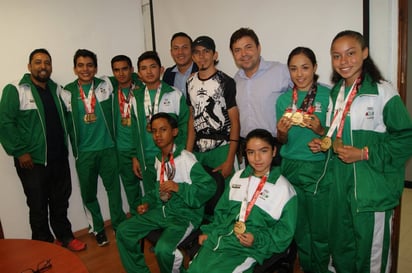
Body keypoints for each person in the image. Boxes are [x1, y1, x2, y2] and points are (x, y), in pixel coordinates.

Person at [308, 30, 412, 273]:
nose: (343, 61)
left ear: (364, 53)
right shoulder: (336, 93)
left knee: (371, 255)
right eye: (336, 56)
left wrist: (364, 153)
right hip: (340, 188)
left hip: (371, 189)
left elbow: (406, 138)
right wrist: (325, 142)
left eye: (350, 53)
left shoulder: (382, 91)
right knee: (343, 248)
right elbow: (338, 134)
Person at [0, 48, 86, 251]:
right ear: (29, 66)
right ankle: (44, 244)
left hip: (58, 159)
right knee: (38, 206)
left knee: (60, 202)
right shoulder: (16, 89)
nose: (43, 66)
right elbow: (5, 123)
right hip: (32, 161)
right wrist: (20, 151)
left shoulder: (57, 90)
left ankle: (65, 237)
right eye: (38, 62)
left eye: (47, 62)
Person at [116, 112, 216, 273]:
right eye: (154, 131)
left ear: (174, 132)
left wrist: (178, 187)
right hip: (161, 212)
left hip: (184, 217)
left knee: (163, 250)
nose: (158, 135)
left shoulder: (186, 158)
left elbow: (209, 187)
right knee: (124, 231)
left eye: (163, 130)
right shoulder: (159, 159)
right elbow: (157, 191)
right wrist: (147, 203)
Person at [187, 128, 297, 273]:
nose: (257, 158)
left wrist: (256, 239)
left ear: (274, 151)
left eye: (263, 151)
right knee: (194, 270)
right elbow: (221, 212)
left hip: (247, 249)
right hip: (220, 239)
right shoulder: (238, 177)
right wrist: (210, 231)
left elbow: (284, 234)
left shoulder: (285, 190)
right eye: (251, 152)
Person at [60, 49, 126, 246]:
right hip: (84, 153)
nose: (85, 69)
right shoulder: (66, 92)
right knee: (88, 194)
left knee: (113, 190)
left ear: (95, 67)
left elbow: (128, 76)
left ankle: (119, 225)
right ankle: (97, 228)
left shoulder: (106, 84)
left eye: (89, 65)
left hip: (108, 148)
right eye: (80, 65)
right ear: (74, 68)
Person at [276, 47, 332, 273]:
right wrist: (280, 132)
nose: (299, 74)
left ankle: (322, 269)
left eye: (305, 67)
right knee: (299, 228)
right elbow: (282, 139)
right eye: (293, 69)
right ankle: (308, 268)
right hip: (289, 166)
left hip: (317, 167)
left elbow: (336, 135)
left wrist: (321, 130)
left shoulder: (329, 96)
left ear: (315, 68)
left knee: (319, 229)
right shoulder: (283, 100)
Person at [229, 27, 291, 165]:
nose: (243, 54)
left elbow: (306, 90)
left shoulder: (280, 71)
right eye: (237, 50)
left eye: (248, 47)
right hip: (248, 148)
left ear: (258, 47)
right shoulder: (236, 80)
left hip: (276, 146)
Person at [133, 50, 189, 196]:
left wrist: (179, 152)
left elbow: (184, 124)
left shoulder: (174, 94)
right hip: (145, 158)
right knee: (152, 196)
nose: (149, 72)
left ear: (161, 69)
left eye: (153, 66)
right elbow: (134, 129)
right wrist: (135, 157)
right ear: (139, 74)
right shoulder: (135, 98)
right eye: (144, 68)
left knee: (171, 196)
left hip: (169, 156)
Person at [186, 35, 240, 181]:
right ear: (192, 56)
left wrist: (229, 160)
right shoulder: (190, 81)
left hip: (222, 148)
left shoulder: (225, 81)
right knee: (203, 197)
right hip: (199, 150)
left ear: (214, 55)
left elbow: (235, 122)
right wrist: (188, 153)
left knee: (226, 196)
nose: (201, 56)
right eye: (197, 52)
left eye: (206, 51)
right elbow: (192, 118)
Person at [110, 55, 144, 215]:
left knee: (154, 187)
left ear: (131, 70)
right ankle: (138, 220)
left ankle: (157, 221)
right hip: (122, 149)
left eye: (124, 68)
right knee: (131, 189)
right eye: (116, 70)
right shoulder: (109, 91)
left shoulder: (142, 88)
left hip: (142, 147)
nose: (121, 73)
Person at [163, 32, 199, 98]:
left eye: (185, 47)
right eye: (176, 48)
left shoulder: (200, 71)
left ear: (192, 50)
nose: (180, 52)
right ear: (171, 52)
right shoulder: (168, 74)